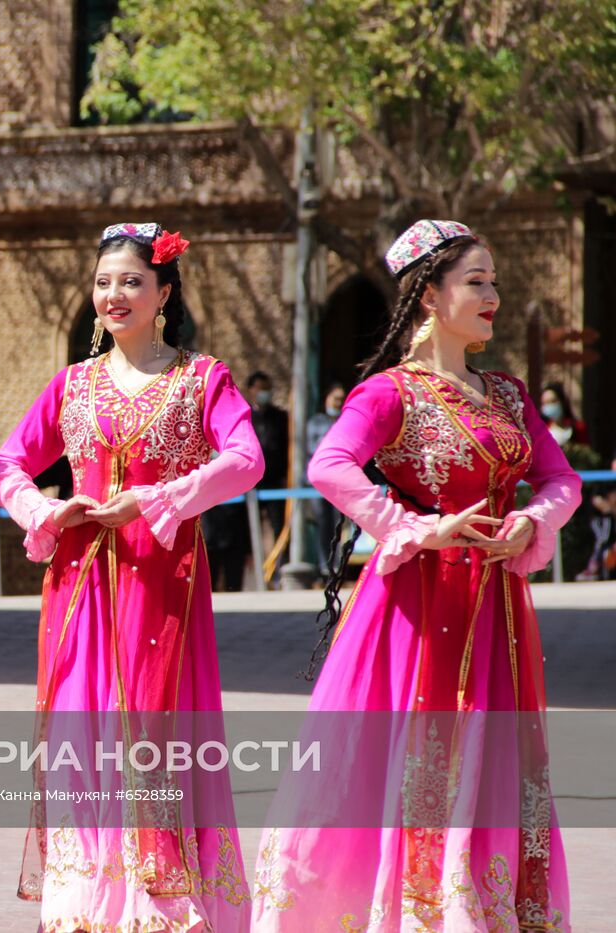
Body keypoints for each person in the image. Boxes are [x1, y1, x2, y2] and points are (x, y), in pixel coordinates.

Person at [253, 220, 578, 930]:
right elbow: (328, 466)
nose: (493, 294)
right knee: (417, 753)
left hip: (497, 605)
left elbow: (562, 480)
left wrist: (533, 523)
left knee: (493, 755)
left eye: (494, 281)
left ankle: (481, 905)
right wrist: (413, 526)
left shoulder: (510, 396)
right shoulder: (390, 393)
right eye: (476, 282)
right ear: (429, 295)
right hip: (416, 607)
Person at [0, 222, 263, 932]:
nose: (115, 294)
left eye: (132, 280)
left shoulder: (201, 378)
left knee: (154, 725)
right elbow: (6, 463)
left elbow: (247, 459)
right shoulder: (73, 386)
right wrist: (45, 507)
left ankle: (161, 899)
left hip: (160, 579)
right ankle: (89, 903)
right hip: (79, 583)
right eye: (104, 281)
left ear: (163, 291)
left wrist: (162, 498)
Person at [245, 370, 288, 558]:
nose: (265, 393)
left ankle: (279, 568)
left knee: (278, 525)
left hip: (274, 479)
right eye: (261, 389)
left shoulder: (280, 417)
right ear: (250, 390)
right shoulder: (244, 415)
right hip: (248, 482)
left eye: (268, 389)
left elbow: (286, 447)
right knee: (246, 528)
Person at [306, 382, 347, 574]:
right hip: (319, 482)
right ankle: (324, 565)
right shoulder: (316, 422)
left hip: (340, 480)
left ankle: (338, 564)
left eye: (341, 400)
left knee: (338, 524)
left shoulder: (346, 421)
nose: (338, 403)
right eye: (335, 399)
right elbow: (312, 448)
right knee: (323, 524)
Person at [539, 381, 589, 447]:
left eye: (553, 401)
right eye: (545, 403)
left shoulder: (578, 428)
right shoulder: (542, 432)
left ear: (562, 402)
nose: (549, 406)